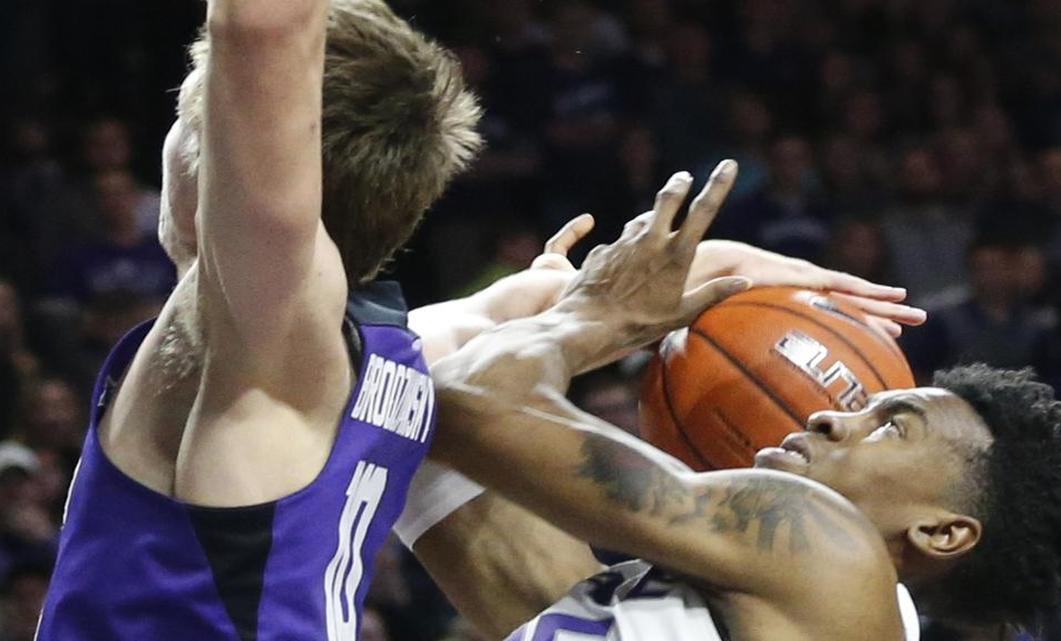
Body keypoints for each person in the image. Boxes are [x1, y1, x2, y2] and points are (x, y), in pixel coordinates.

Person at [37, 2, 924, 638]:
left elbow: (263, 28)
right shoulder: (389, 357)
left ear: (219, 155)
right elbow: (555, 303)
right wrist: (733, 267)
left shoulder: (263, 342)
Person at [422, 167, 1061, 639]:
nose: (828, 414)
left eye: (890, 425)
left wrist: (583, 318)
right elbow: (427, 396)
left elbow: (469, 399)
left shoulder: (826, 544)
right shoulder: (746, 602)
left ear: (942, 531)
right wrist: (550, 305)